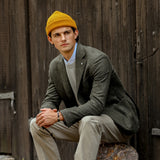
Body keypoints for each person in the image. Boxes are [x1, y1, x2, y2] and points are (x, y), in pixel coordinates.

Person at [30, 11, 139, 160]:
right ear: (50, 39)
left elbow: (96, 105)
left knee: (89, 121)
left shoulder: (97, 60)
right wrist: (46, 112)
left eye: (67, 32)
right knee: (36, 124)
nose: (63, 38)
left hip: (115, 122)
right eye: (57, 35)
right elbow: (51, 97)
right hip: (83, 122)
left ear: (75, 34)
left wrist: (58, 115)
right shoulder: (55, 66)